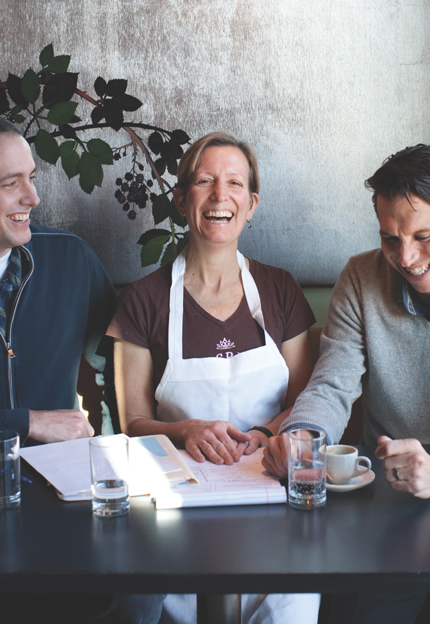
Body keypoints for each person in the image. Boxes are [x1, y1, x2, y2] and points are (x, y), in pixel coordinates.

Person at [107, 132, 320, 624]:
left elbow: (308, 400)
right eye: (204, 181)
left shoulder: (279, 289)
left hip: (275, 505)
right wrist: (186, 430)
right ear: (181, 199)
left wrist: (268, 435)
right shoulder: (143, 299)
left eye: (234, 183)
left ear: (252, 204)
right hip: (175, 516)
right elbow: (132, 422)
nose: (220, 196)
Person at [0, 113, 163, 624]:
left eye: (31, 177)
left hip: (60, 505)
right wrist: (26, 423)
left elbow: (118, 358)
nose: (33, 197)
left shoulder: (69, 260)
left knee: (146, 586)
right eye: (11, 184)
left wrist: (117, 453)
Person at [262, 144, 430, 624]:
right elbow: (332, 383)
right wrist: (302, 437)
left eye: (424, 236)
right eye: (391, 239)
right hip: (390, 497)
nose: (407, 257)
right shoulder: (360, 275)